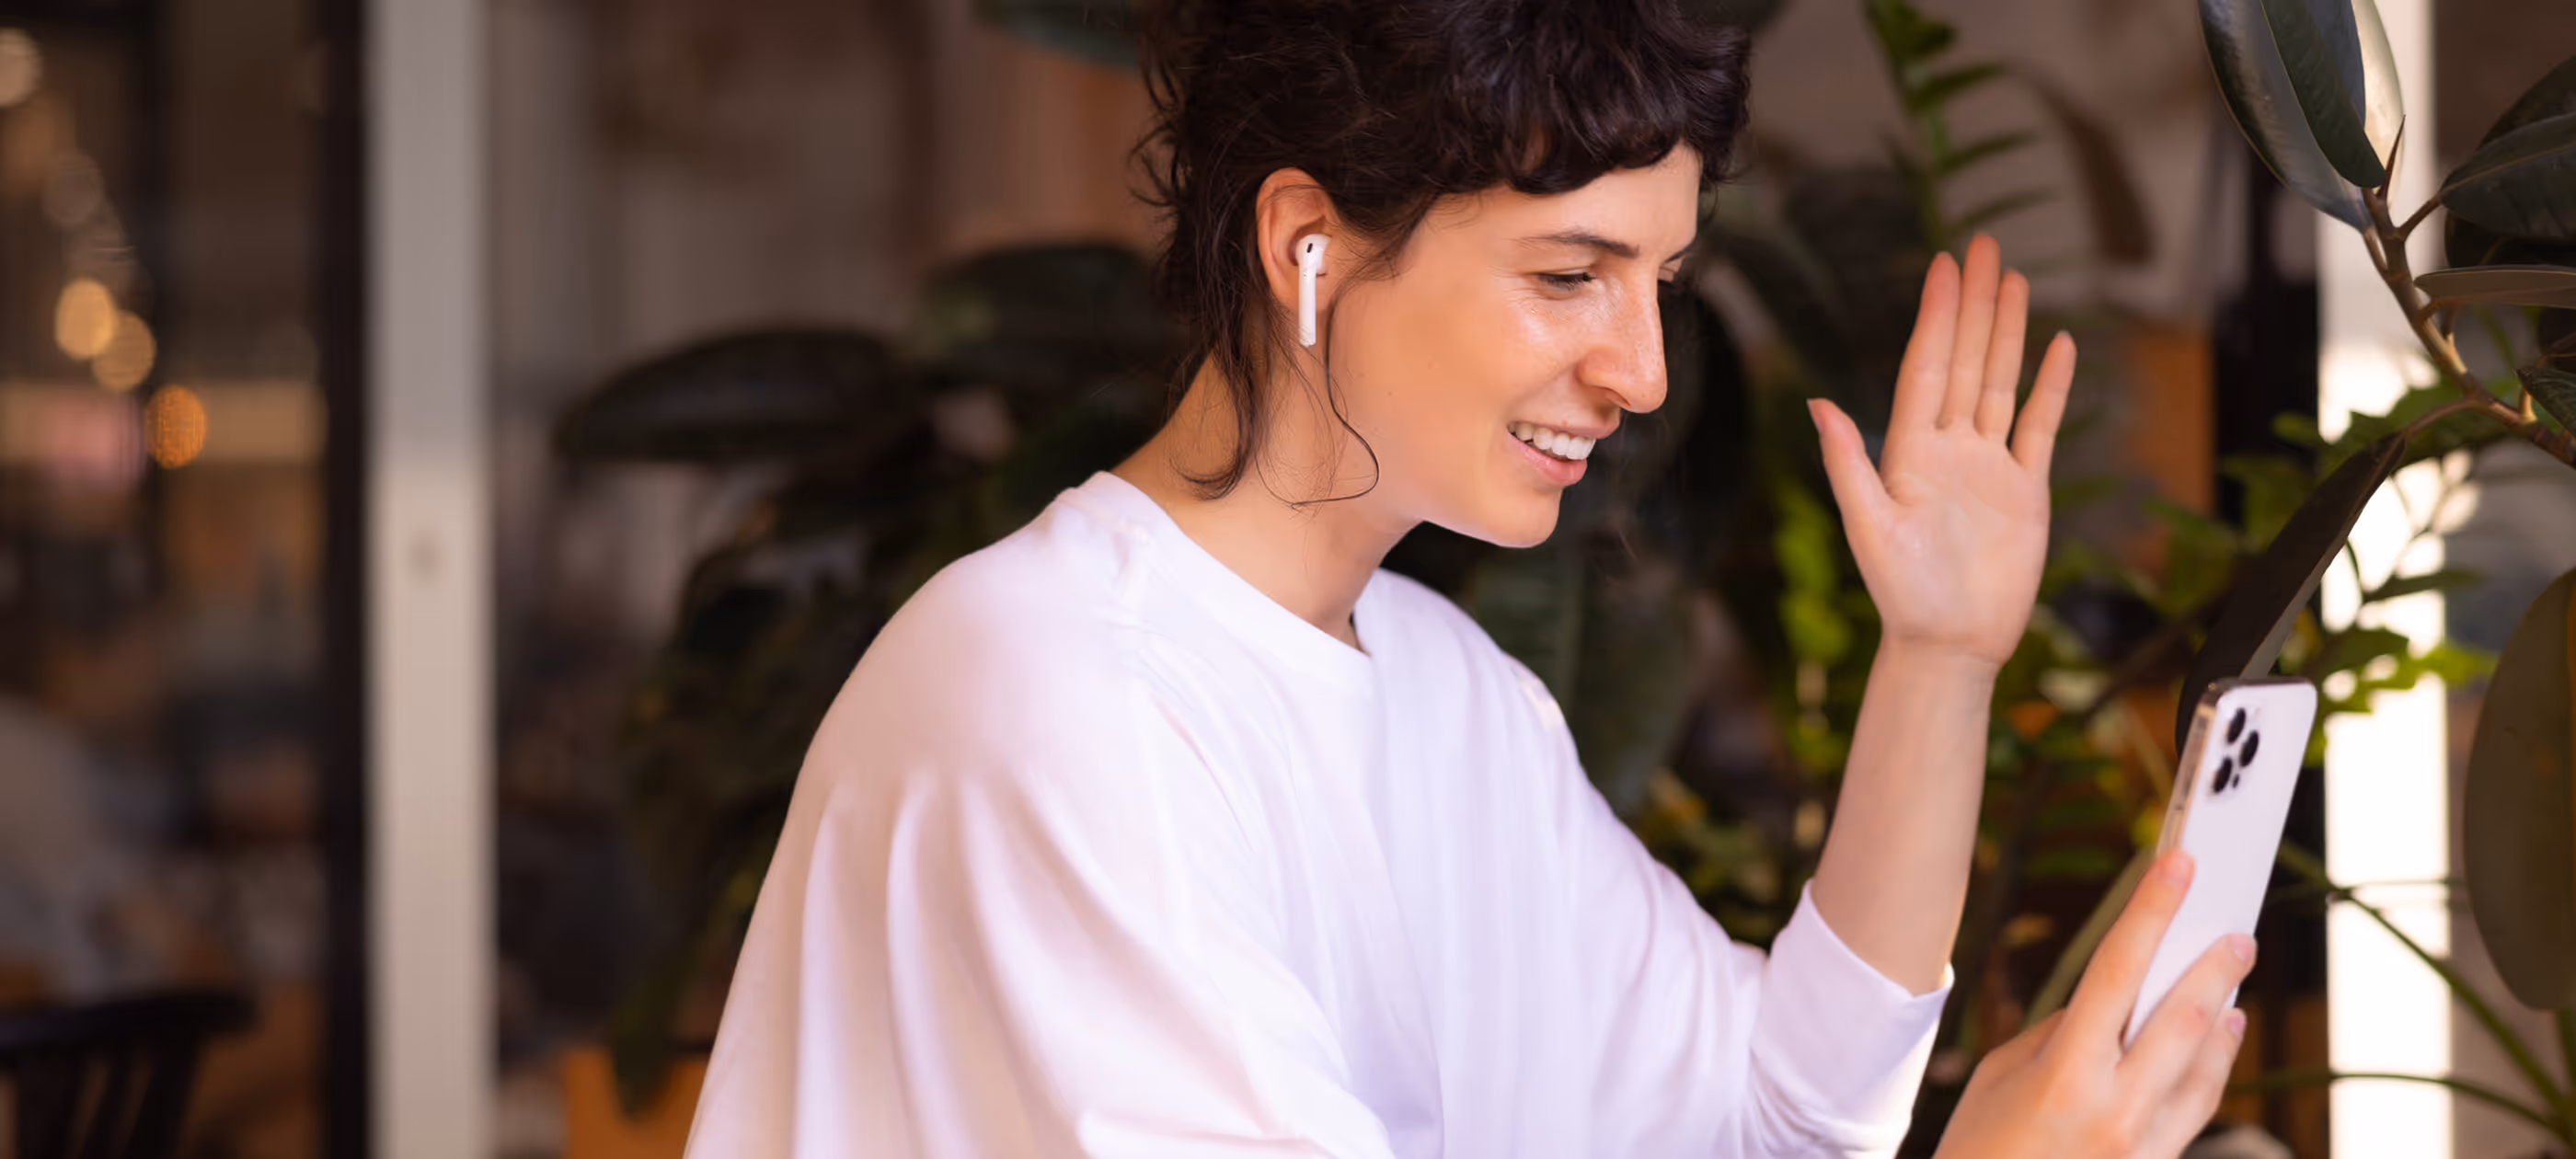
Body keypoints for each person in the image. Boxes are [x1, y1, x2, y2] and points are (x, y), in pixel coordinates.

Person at [684, 1, 2254, 1155]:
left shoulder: (1449, 692)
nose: (1641, 371)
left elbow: (1777, 1114)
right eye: (1569, 274)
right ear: (1306, 244)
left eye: (1661, 281)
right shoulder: (1059, 701)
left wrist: (1942, 657)